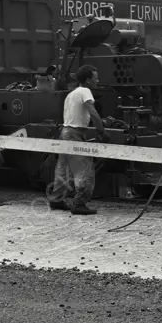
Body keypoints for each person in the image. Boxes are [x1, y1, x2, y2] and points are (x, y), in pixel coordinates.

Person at [48, 65, 106, 215]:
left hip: (65, 132)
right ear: (88, 80)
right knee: (84, 169)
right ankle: (79, 203)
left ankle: (56, 200)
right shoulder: (85, 91)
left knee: (63, 169)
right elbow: (92, 112)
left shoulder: (72, 94)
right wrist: (101, 130)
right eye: (95, 78)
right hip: (74, 134)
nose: (97, 81)